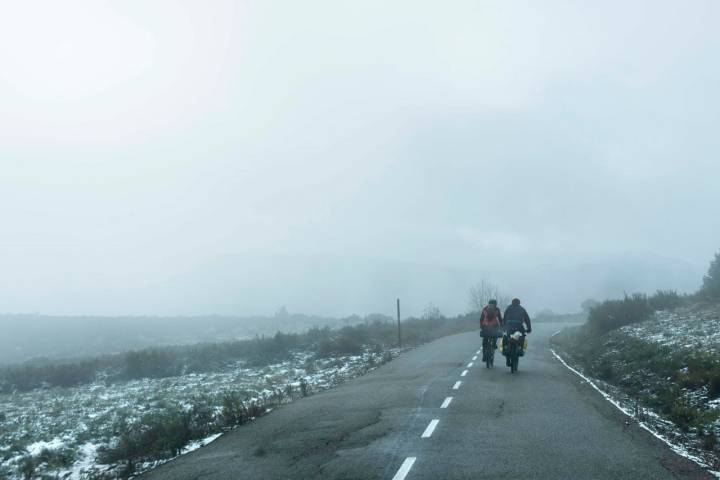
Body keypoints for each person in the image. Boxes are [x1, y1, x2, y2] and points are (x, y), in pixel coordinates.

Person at [502, 298, 532, 366]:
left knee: (507, 338)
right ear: (519, 303)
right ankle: (520, 349)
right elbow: (527, 319)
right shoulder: (522, 309)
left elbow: (504, 318)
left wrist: (503, 327)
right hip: (519, 327)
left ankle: (506, 353)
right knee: (522, 337)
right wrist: (529, 329)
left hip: (509, 327)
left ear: (512, 302)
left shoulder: (508, 308)